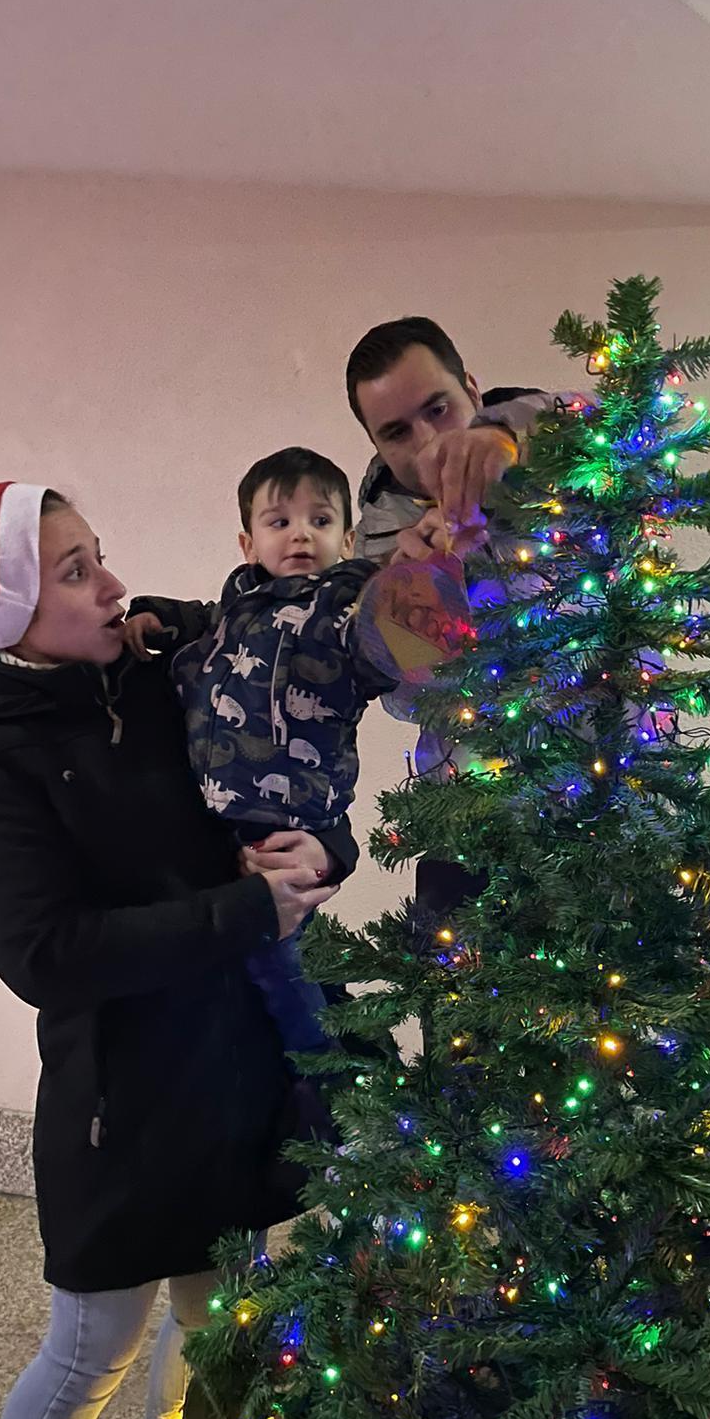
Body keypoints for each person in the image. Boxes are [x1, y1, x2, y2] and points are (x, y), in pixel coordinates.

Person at [0, 479, 341, 1419]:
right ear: (7, 610)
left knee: (213, 1319)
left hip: (235, 1057)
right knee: (94, 1342)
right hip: (120, 1096)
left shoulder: (141, 665)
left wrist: (324, 854)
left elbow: (281, 730)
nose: (114, 586)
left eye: (99, 554)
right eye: (76, 573)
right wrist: (242, 909)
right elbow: (42, 953)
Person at [124, 446, 472, 1050]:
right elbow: (209, 622)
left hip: (287, 822)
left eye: (320, 520)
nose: (301, 535)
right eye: (279, 522)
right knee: (265, 963)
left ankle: (329, 1074)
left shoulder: (343, 606)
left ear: (347, 537)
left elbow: (403, 650)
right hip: (217, 819)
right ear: (247, 543)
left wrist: (426, 577)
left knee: (279, 964)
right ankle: (340, 1055)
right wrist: (160, 616)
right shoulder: (239, 605)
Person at [345, 316, 587, 915]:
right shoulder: (376, 539)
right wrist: (415, 599)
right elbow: (403, 701)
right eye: (396, 431)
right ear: (376, 445)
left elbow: (646, 416)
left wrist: (508, 438)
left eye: (438, 409)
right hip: (468, 822)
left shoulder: (545, 444)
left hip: (618, 791)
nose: (427, 442)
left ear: (473, 392)